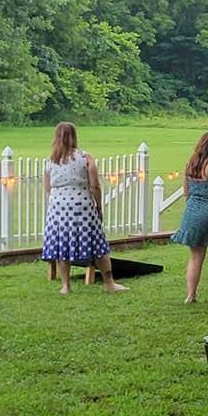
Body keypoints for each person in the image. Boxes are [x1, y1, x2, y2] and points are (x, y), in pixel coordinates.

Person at [42, 122, 126, 294]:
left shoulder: (50, 162)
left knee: (62, 245)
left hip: (58, 208)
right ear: (74, 136)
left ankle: (66, 285)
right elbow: (95, 185)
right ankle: (109, 282)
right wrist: (99, 206)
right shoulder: (85, 157)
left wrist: (57, 201)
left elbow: (48, 188)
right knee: (97, 243)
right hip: (82, 206)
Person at [171, 132, 208, 304]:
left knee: (196, 257)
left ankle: (191, 295)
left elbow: (186, 192)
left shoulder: (191, 163)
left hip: (192, 213)